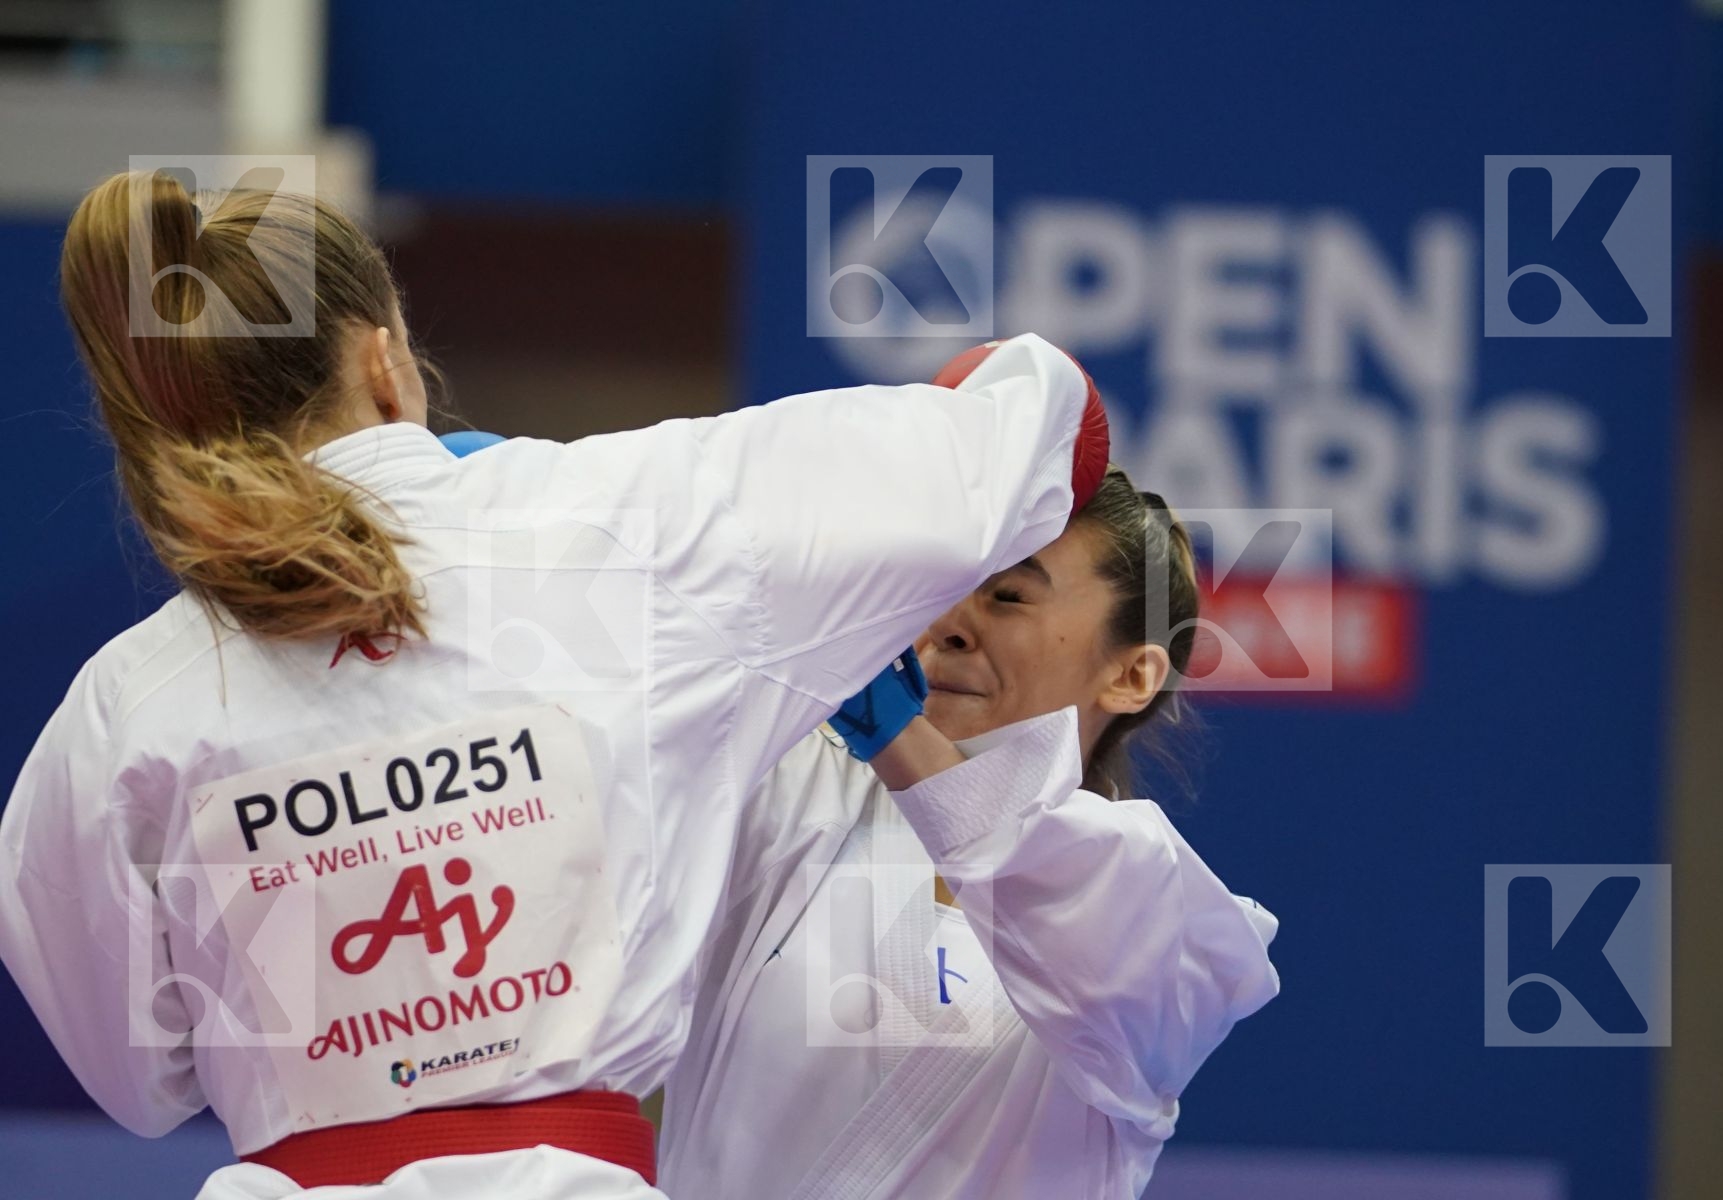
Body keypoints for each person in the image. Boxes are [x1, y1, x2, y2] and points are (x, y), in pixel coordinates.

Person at [0, 170, 1109, 1200]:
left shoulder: (122, 709)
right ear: (385, 365)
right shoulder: (645, 525)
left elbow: (140, 1084)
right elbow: (1052, 436)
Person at [658, 464, 1281, 1200]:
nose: (949, 623)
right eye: (942, 588)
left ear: (1131, 677)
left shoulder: (1165, 920)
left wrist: (892, 731)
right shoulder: (794, 787)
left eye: (1008, 596)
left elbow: (1041, 867)